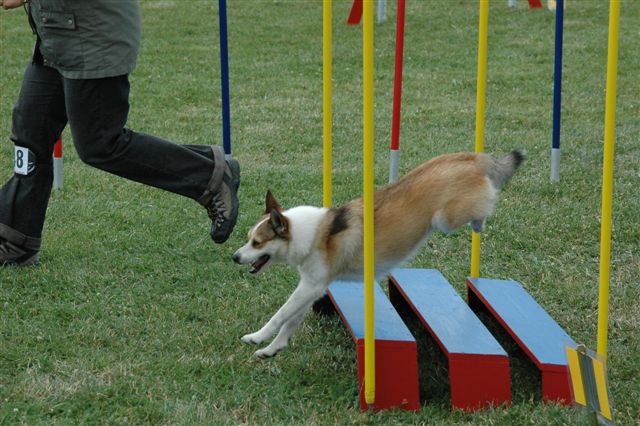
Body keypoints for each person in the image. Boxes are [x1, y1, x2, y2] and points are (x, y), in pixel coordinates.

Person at [0, 0, 240, 267]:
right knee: (30, 136)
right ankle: (15, 239)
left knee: (101, 144)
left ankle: (210, 176)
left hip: (95, 39)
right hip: (54, 35)